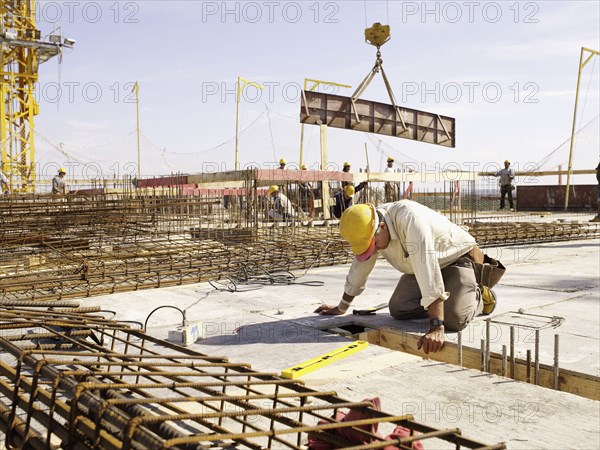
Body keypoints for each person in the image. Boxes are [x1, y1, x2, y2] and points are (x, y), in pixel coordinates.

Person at [314, 201, 498, 354]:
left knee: (454, 319)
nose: (375, 249)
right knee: (399, 309)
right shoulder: (370, 228)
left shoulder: (410, 219)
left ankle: (479, 295)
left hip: (456, 260)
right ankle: (447, 300)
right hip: (423, 268)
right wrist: (342, 307)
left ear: (382, 227)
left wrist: (436, 326)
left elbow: (427, 269)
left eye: (375, 244)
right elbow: (360, 268)